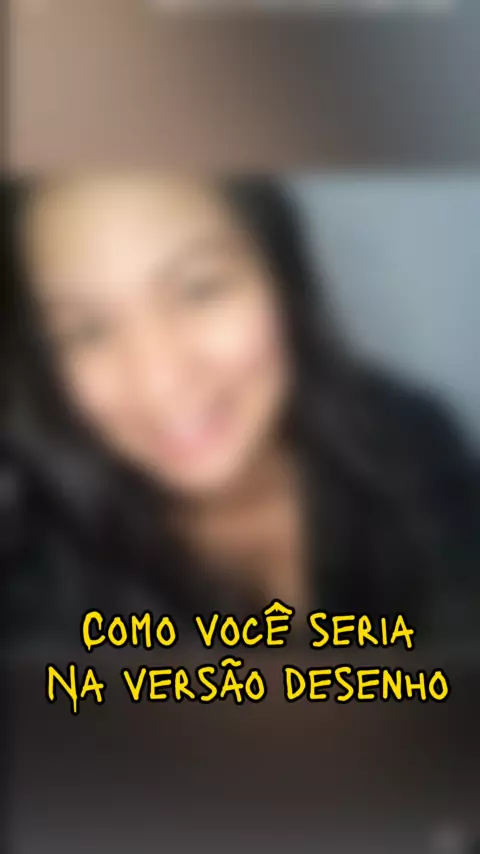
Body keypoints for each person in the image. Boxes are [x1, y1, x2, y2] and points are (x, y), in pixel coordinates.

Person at [2, 176, 479, 650]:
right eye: (86, 331)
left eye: (199, 290)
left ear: (281, 277)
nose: (159, 380)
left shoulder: (410, 435)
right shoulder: (38, 597)